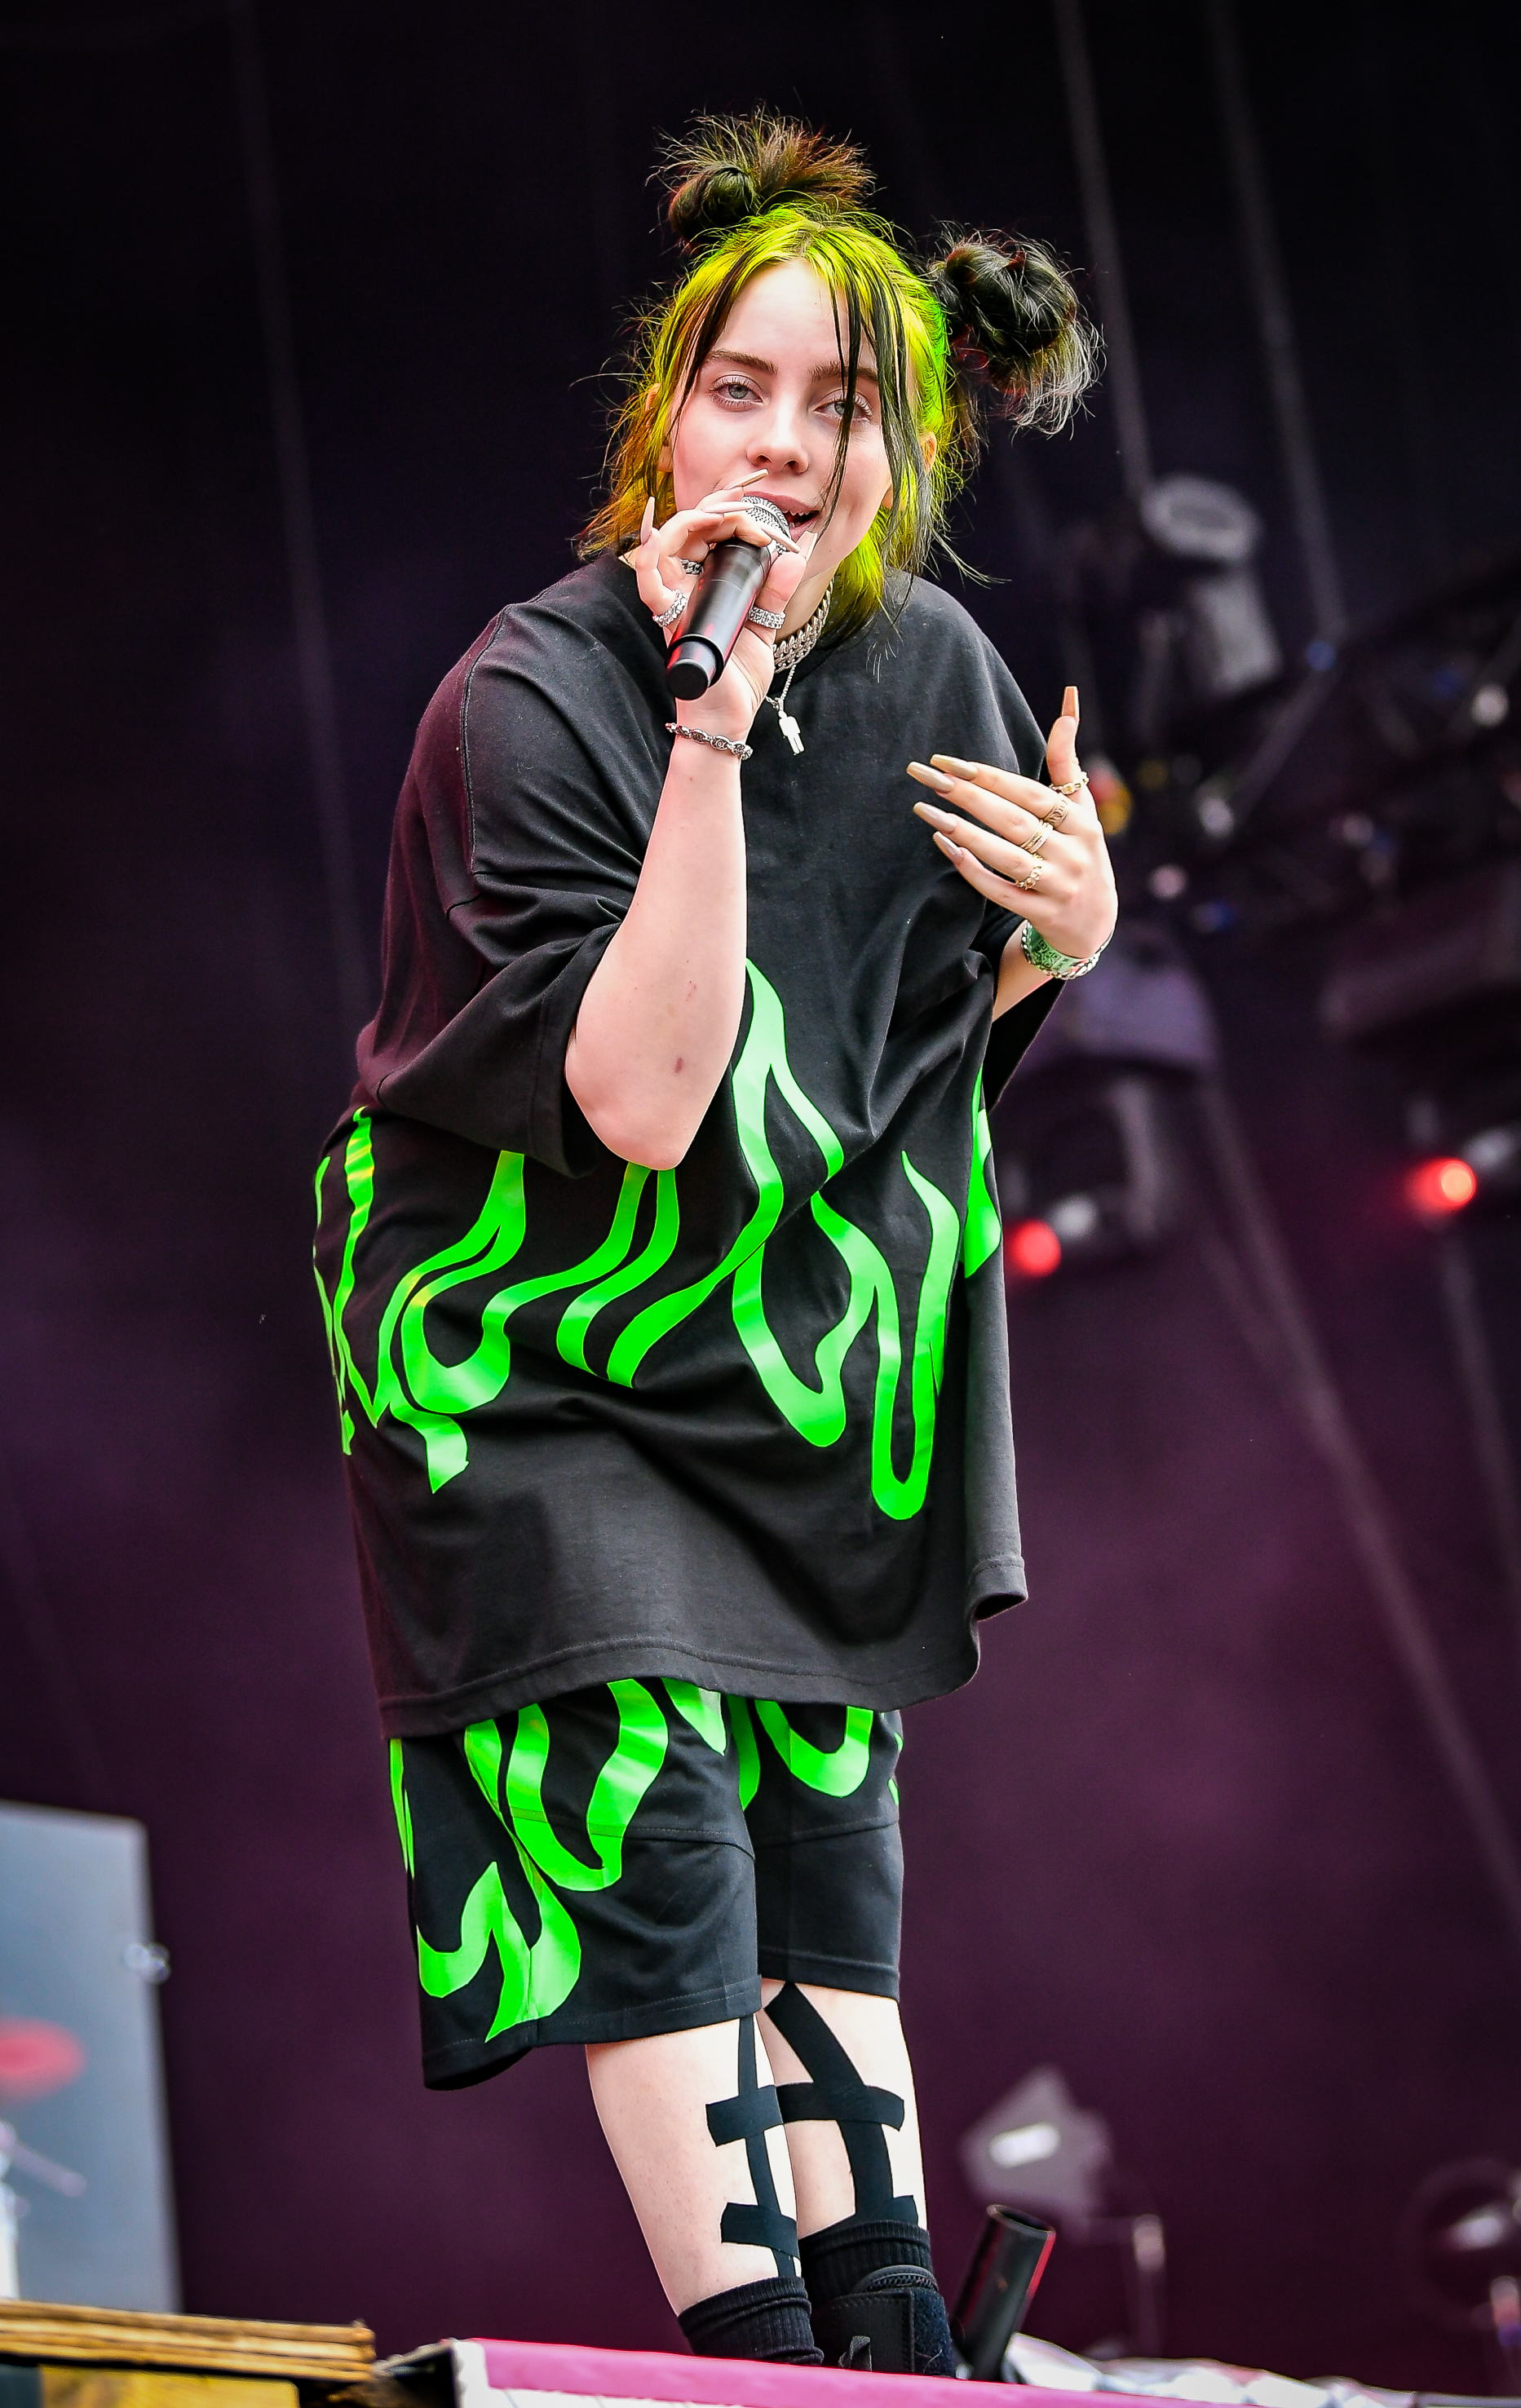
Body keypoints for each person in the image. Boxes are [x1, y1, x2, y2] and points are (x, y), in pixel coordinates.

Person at [314, 112, 1115, 2375]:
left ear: (908, 444)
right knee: (646, 1807)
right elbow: (650, 1101)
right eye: (735, 388)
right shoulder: (537, 690)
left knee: (824, 1820)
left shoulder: (939, 669)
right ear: (664, 416)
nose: (779, 443)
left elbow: (895, 1053)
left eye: (836, 403)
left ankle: (893, 2349)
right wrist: (708, 736)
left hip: (781, 1357)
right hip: (530, 1346)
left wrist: (1067, 934)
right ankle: (765, 2354)